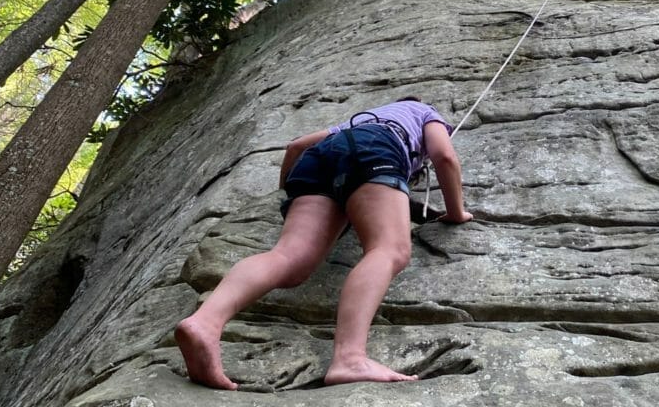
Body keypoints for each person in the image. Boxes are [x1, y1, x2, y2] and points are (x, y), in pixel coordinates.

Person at [176, 97, 471, 389]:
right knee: (389, 249)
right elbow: (443, 156)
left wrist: (287, 195)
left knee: (289, 258)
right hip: (376, 151)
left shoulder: (359, 119)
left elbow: (296, 147)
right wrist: (456, 212)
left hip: (318, 159)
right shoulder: (423, 111)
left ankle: (205, 322)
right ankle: (350, 358)